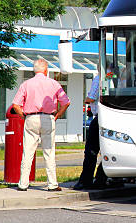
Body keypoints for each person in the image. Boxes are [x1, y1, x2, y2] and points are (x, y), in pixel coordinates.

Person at [11, 59, 70, 191]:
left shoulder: (26, 84)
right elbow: (66, 102)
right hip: (48, 118)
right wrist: (58, 115)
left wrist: (24, 116)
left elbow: (15, 105)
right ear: (45, 69)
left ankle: (23, 184)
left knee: (28, 152)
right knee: (49, 152)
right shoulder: (54, 84)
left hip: (31, 117)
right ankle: (52, 184)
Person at [73, 74, 108, 189]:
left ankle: (85, 180)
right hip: (113, 117)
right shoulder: (116, 76)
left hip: (100, 118)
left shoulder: (99, 78)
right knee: (108, 151)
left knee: (91, 152)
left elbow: (92, 97)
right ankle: (101, 178)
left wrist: (86, 98)